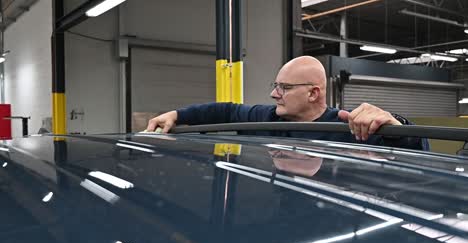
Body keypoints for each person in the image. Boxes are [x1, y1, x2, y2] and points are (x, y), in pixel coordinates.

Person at [146, 56, 429, 150]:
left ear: (314, 93)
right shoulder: (267, 117)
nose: (274, 94)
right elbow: (225, 111)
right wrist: (177, 114)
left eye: (284, 87)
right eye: (276, 86)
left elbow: (415, 151)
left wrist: (396, 125)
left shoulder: (348, 126)